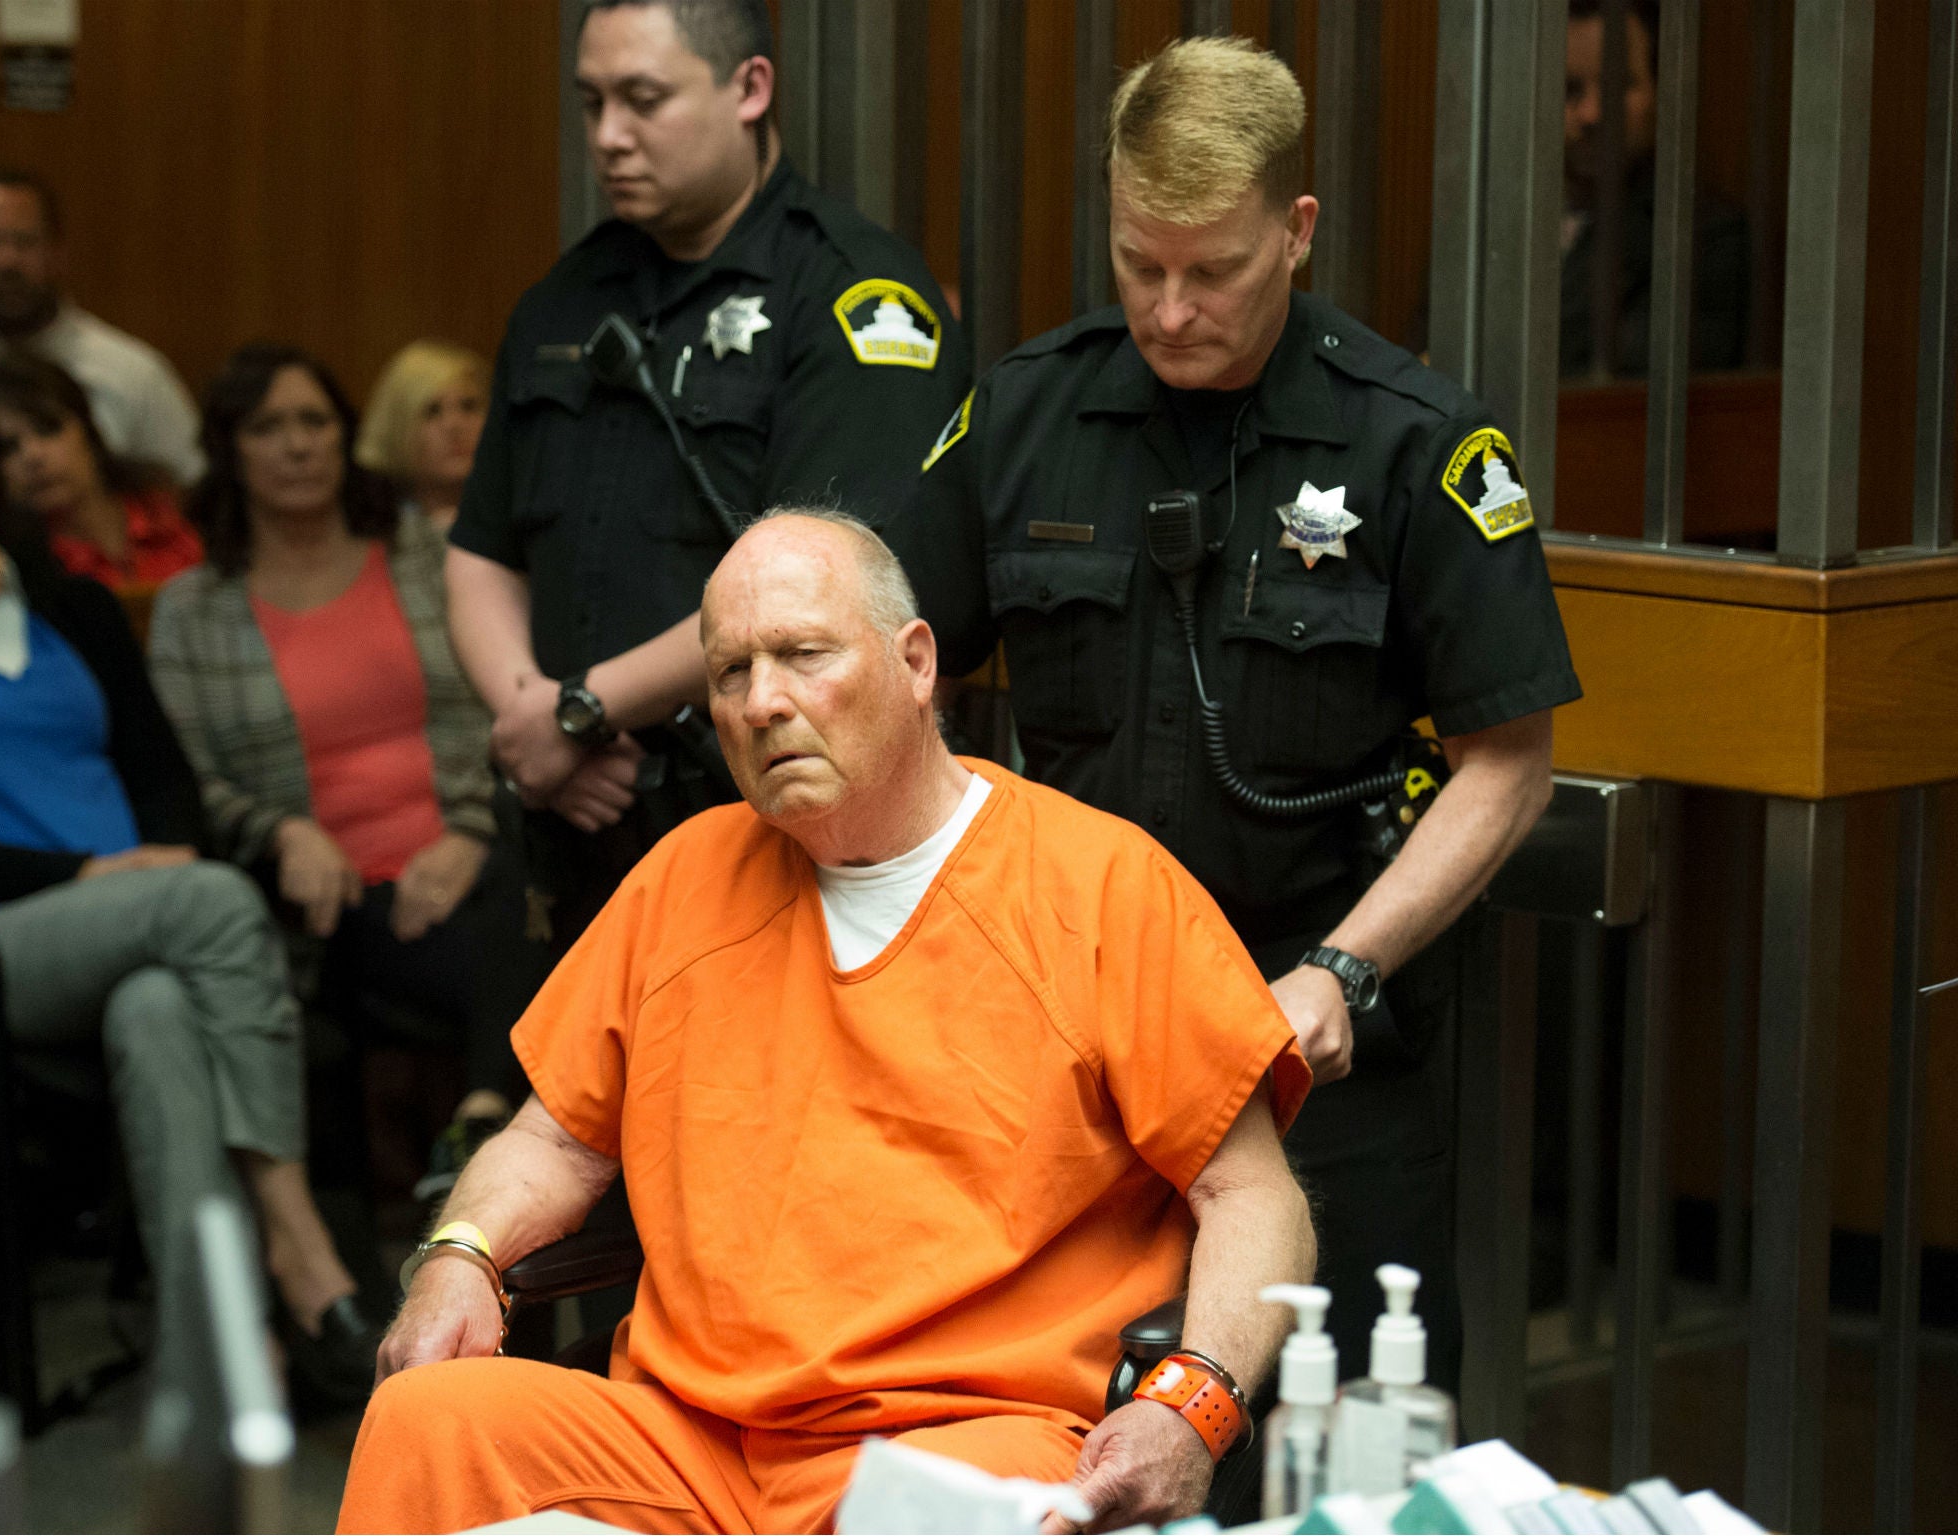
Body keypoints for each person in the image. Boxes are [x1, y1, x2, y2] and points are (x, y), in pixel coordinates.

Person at [338, 511, 1316, 1535]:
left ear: (915, 662)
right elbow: (550, 1138)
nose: (763, 703)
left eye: (803, 656)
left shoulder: (1102, 887)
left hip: (965, 1430)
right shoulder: (682, 876)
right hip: (684, 1436)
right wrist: (460, 1254)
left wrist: (1191, 1406)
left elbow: (1251, 1193)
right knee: (429, 1421)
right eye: (729, 674)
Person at [886, 36, 1583, 1384]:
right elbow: (905, 662)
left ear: (1297, 229)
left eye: (1214, 270)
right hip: (1062, 1030)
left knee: (1319, 1426)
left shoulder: (1418, 443)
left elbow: (1510, 762)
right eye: (1139, 264)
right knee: (1063, 1407)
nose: (1171, 309)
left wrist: (1347, 967)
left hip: (1319, 1040)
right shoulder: (1028, 409)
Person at [447, 0, 967, 950]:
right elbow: (481, 549)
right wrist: (532, 719)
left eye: (643, 99)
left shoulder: (853, 293)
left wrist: (582, 710)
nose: (609, 136)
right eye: (593, 102)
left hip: (765, 826)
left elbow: (832, 597)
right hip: (573, 820)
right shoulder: (564, 298)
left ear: (750, 90)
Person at [0, 354, 376, 1401]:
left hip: (141, 928)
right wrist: (89, 868)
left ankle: (213, 1353)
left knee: (161, 1009)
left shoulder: (67, 601)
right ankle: (296, 1240)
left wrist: (146, 855)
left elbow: (163, 775)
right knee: (213, 899)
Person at [148, 344, 544, 1190]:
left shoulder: (425, 555)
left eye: (314, 422)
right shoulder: (194, 608)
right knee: (503, 967)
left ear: (347, 437)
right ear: (230, 449)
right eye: (268, 427)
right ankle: (487, 1159)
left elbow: (502, 702)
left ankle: (479, 1133)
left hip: (480, 843)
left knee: (554, 915)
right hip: (339, 893)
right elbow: (192, 780)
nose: (296, 445)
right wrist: (283, 830)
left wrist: (471, 831)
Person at [0, 170, 205, 484]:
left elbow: (194, 490)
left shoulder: (133, 374)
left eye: (25, 242)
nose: (7, 261)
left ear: (57, 254)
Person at [1559, 0, 1749, 377]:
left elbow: (1630, 384)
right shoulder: (1487, 219)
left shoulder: (1701, 237)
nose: (1591, 114)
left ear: (1662, 94)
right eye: (1569, 88)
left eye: (1617, 85)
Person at [0, 350, 204, 591]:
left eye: (48, 429)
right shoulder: (7, 568)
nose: (32, 455)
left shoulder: (172, 511)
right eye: (8, 447)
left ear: (88, 429)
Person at [356, 340, 489, 535]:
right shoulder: (367, 533)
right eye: (432, 411)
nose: (454, 425)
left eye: (468, 406)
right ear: (397, 426)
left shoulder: (519, 524)